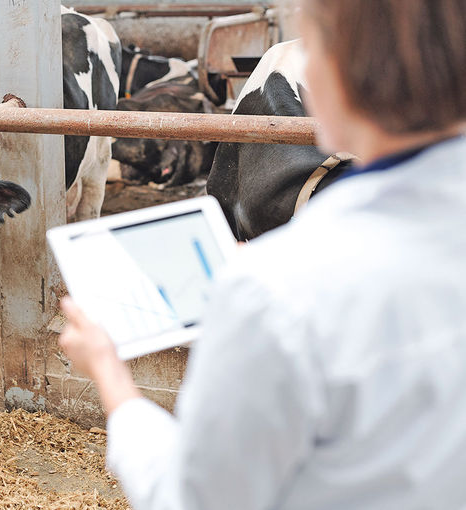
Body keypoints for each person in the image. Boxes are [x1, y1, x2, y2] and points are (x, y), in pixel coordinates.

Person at [58, 1, 466, 509]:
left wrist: (109, 373)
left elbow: (195, 499)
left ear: (336, 74)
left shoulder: (276, 291)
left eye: (311, 48)